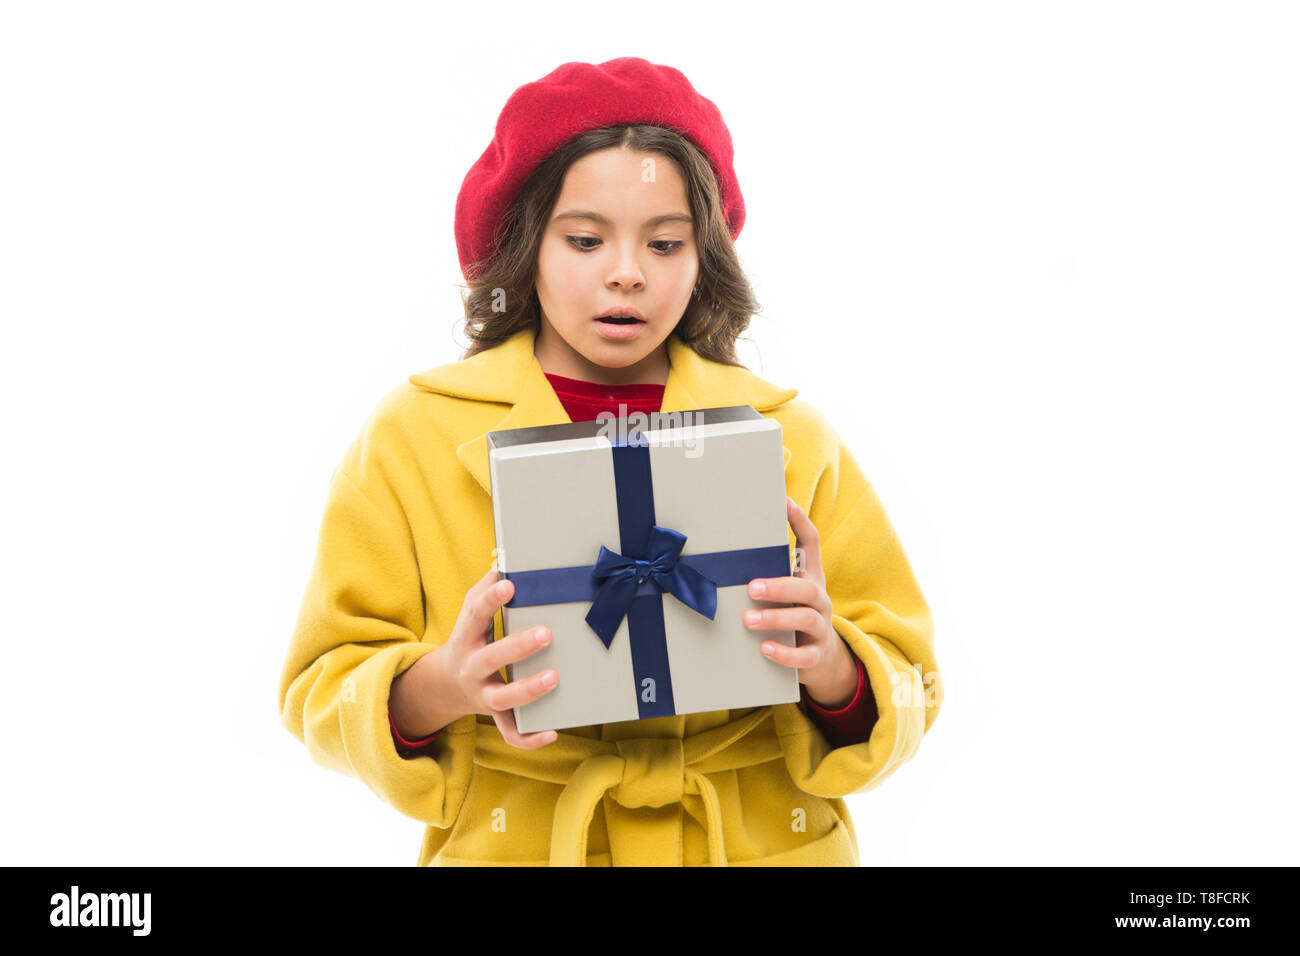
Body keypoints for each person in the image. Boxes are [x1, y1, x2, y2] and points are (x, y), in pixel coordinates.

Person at [279, 56, 942, 866]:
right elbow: (319, 687)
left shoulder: (792, 436)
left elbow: (912, 679)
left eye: (665, 243)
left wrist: (836, 667)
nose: (626, 272)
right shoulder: (410, 436)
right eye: (586, 239)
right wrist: (441, 685)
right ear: (527, 246)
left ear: (706, 260)